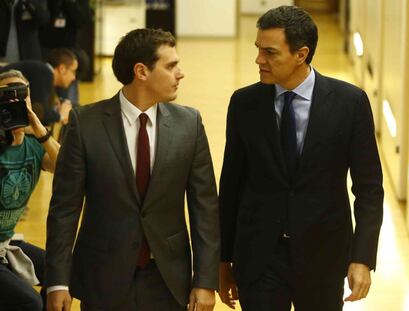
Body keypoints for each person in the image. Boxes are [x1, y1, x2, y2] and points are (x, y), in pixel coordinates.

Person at [218, 5, 383, 311]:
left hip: (323, 258)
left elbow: (369, 189)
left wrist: (362, 258)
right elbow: (230, 186)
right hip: (259, 257)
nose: (259, 60)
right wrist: (223, 261)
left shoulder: (350, 103)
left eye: (270, 52)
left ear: (301, 54)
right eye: (258, 49)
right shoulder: (244, 103)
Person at [45, 28, 220, 311]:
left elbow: (205, 208)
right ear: (141, 71)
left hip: (169, 279)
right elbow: (64, 209)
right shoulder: (85, 123)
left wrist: (205, 281)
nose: (181, 73)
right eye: (171, 65)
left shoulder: (190, 124)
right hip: (103, 277)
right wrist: (57, 282)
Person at [0, 69, 60, 310]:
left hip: (6, 241)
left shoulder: (35, 146)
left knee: (60, 274)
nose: (14, 101)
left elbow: (68, 167)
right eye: (6, 95)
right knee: (30, 303)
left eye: (20, 94)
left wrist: (39, 129)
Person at [0, 48, 77, 126]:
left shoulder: (43, 71)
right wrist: (61, 116)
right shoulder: (45, 72)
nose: (74, 77)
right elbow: (39, 112)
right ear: (62, 69)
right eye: (73, 71)